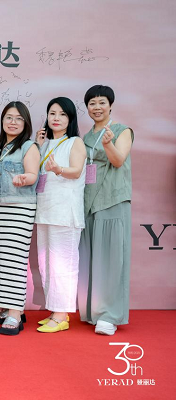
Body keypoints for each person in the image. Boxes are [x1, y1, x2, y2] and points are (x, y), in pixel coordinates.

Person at [77, 85, 134, 335]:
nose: (97, 107)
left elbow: (119, 160)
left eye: (102, 102)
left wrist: (109, 144)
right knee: (91, 259)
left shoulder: (122, 131)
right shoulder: (85, 137)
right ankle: (92, 311)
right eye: (92, 103)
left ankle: (109, 316)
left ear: (110, 105)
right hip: (88, 201)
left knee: (112, 259)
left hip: (112, 199)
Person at [34, 98, 86, 333]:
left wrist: (59, 169)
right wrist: (37, 146)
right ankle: (54, 309)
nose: (56, 118)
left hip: (65, 213)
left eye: (62, 114)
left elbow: (76, 171)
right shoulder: (45, 144)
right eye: (52, 113)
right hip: (45, 211)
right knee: (46, 264)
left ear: (70, 118)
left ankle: (62, 314)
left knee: (63, 265)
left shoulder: (75, 142)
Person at [0, 101, 40, 336]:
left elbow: (32, 174)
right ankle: (5, 307)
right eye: (9, 117)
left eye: (19, 118)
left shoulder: (28, 146)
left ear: (26, 123)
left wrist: (24, 178)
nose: (13, 122)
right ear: (2, 120)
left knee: (14, 261)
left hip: (19, 207)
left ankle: (15, 313)